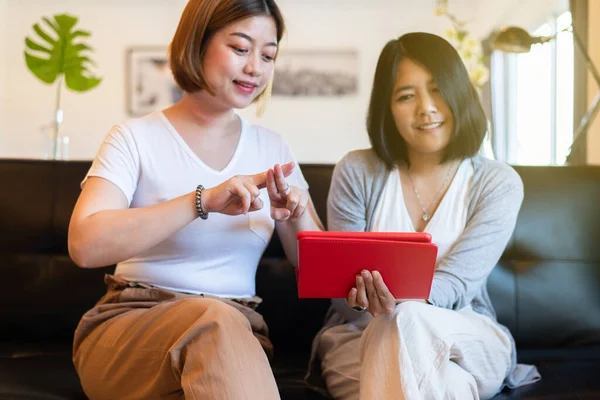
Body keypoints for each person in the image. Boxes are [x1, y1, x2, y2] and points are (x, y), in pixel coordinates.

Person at [68, 1, 322, 399]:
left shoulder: (274, 149)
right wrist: (200, 201)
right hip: (132, 325)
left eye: (268, 55)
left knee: (220, 326)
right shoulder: (134, 138)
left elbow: (320, 271)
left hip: (238, 332)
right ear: (196, 43)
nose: (256, 67)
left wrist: (299, 212)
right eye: (240, 48)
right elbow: (84, 244)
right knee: (213, 318)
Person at [307, 32, 541, 400]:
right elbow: (342, 290)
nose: (426, 108)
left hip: (466, 333)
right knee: (444, 385)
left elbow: (458, 283)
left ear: (460, 93)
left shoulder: (497, 183)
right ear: (387, 107)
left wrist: (397, 306)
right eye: (406, 95)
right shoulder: (356, 171)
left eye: (437, 89)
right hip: (358, 337)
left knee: (408, 319)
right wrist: (368, 301)